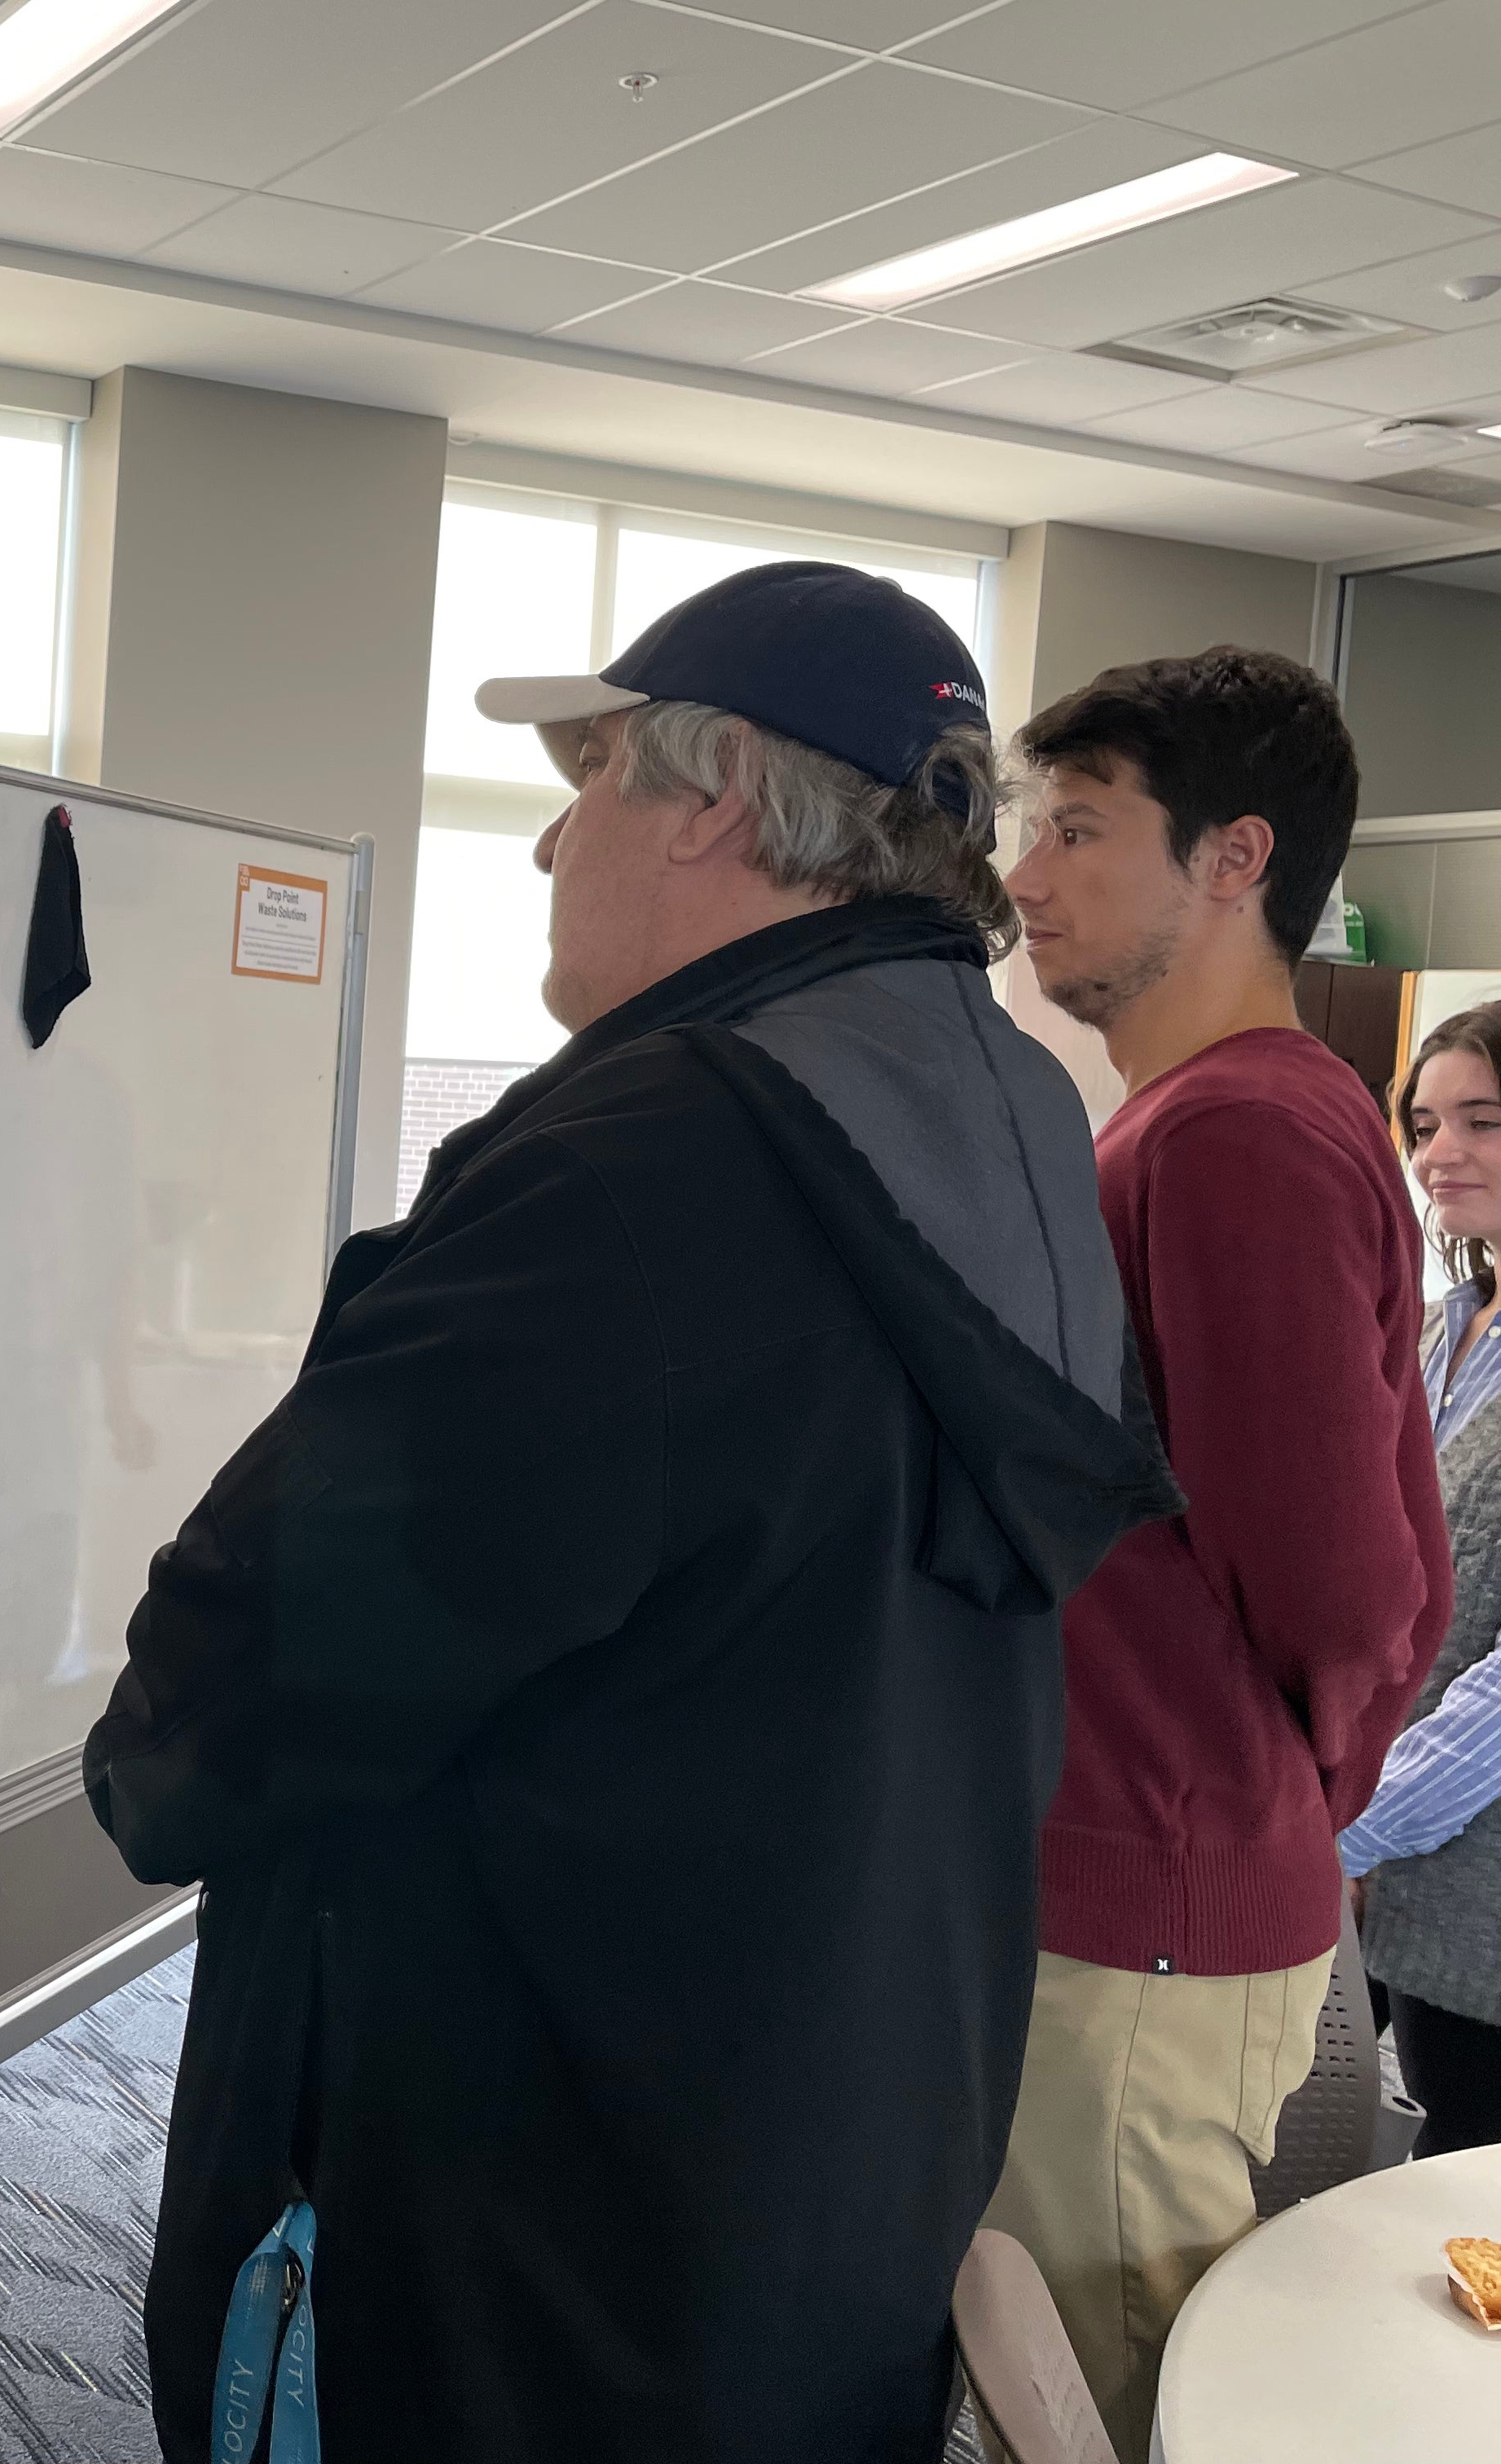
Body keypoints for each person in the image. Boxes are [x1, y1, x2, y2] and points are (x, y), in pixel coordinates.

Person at [86, 563, 1179, 2461]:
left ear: (716, 796)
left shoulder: (647, 1170)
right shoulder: (1012, 1121)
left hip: (523, 2230)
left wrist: (151, 1754)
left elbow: (249, 1670)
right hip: (823, 2169)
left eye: (589, 777)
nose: (547, 843)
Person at [987, 648, 1448, 2459]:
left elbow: (1343, 1580)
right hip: (1144, 1874)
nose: (1028, 874)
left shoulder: (1241, 1127)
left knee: (1111, 2405)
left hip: (1154, 1908)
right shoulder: (1190, 1116)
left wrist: (1269, 1802)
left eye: (1081, 829)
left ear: (1235, 857)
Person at [1342, 1003, 1501, 2155]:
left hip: (1473, 1897)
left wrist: (1352, 1828)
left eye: (1483, 1121)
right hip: (1392, 1862)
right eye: (1426, 1123)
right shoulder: (1447, 1330)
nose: (1440, 1152)